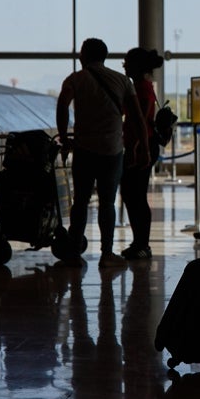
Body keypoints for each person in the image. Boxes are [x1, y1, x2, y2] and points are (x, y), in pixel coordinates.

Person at [56, 38, 147, 268]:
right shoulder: (122, 80)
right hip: (112, 151)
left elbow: (62, 105)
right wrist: (144, 147)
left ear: (83, 56)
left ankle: (74, 253)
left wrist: (65, 138)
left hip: (84, 150)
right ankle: (107, 254)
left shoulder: (75, 79)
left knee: (80, 202)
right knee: (107, 203)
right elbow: (137, 117)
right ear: (105, 56)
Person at [119, 46, 164, 260]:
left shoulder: (142, 88)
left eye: (127, 62)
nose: (124, 65)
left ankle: (142, 243)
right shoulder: (140, 86)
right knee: (133, 195)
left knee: (135, 195)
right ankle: (139, 243)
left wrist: (135, 147)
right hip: (139, 146)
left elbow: (140, 120)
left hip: (140, 147)